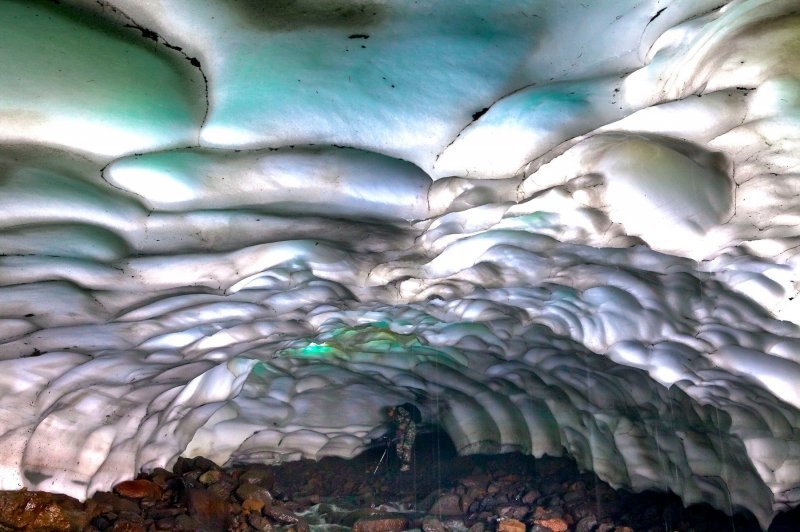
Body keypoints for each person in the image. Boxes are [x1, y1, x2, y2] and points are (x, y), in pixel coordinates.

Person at [387, 403, 420, 472]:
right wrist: (395, 436)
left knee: (406, 447)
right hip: (400, 431)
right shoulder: (393, 417)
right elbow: (397, 426)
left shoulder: (399, 409)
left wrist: (403, 424)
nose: (388, 415)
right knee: (398, 446)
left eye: (389, 412)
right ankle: (402, 461)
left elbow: (408, 416)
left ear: (392, 411)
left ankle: (406, 466)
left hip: (410, 429)